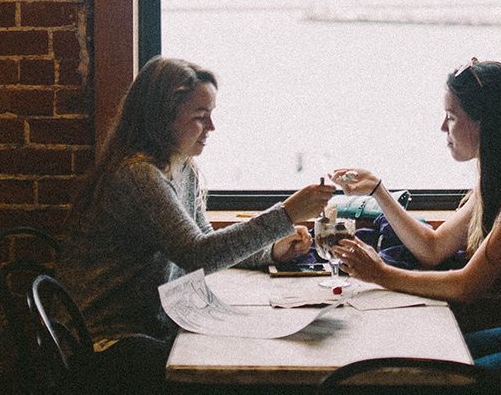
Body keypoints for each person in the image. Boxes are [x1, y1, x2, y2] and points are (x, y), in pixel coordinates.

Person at [329, 59, 501, 394]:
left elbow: (467, 286)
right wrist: (378, 191)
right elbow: (433, 248)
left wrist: (380, 273)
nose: (442, 128)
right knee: (425, 358)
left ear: (486, 123)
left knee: (439, 382)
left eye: (451, 117)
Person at [57, 56, 333, 390]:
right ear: (162, 119)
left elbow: (202, 239)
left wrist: (272, 251)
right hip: (110, 343)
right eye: (201, 117)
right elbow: (197, 255)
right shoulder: (138, 175)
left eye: (212, 114)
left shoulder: (183, 167)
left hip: (157, 326)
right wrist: (286, 214)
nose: (212, 128)